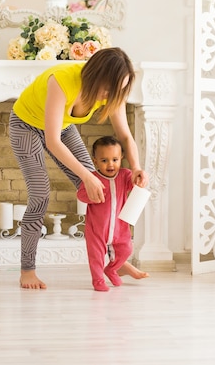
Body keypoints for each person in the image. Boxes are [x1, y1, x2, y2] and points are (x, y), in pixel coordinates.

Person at [9, 47, 149, 289]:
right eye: (108, 88)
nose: (109, 95)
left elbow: (125, 136)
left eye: (117, 90)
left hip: (61, 126)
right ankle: (27, 270)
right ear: (95, 76)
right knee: (40, 194)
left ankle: (115, 259)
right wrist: (86, 176)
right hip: (26, 124)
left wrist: (136, 166)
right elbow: (52, 141)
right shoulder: (62, 80)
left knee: (101, 187)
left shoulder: (111, 92)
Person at [77, 136, 145, 291]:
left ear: (121, 157)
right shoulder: (92, 179)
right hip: (97, 229)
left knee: (127, 249)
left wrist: (140, 179)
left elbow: (135, 183)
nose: (110, 164)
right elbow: (80, 195)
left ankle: (112, 268)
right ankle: (98, 280)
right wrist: (92, 195)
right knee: (96, 257)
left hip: (120, 228)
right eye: (104, 160)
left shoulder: (125, 175)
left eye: (115, 159)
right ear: (95, 161)